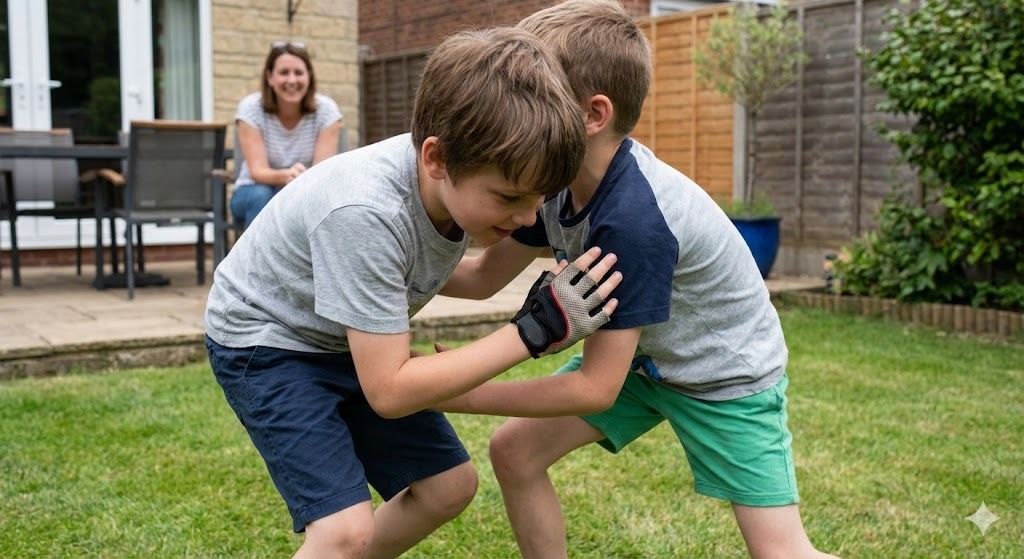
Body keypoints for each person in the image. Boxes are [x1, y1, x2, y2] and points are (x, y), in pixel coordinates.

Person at [435, 1, 838, 558]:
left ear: (592, 114)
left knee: (783, 553)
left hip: (722, 378)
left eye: (536, 90)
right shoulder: (549, 184)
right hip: (643, 363)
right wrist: (386, 271)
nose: (514, 105)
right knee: (516, 451)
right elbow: (481, 278)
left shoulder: (635, 220)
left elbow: (595, 387)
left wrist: (462, 391)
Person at [204, 27, 622, 559]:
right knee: (342, 532)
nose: (527, 216)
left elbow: (478, 279)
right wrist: (533, 331)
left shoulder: (450, 192)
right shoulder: (367, 214)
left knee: (447, 487)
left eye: (540, 198)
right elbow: (391, 391)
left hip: (341, 334)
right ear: (437, 159)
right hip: (268, 342)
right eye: (511, 197)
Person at [230, 41, 344, 229]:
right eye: (284, 73)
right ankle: (258, 259)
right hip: (252, 192)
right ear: (269, 77)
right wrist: (287, 176)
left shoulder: (327, 110)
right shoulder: (250, 108)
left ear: (309, 76)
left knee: (324, 201)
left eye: (298, 73)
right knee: (263, 195)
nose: (292, 80)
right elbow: (257, 172)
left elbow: (321, 174)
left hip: (304, 191)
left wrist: (299, 181)